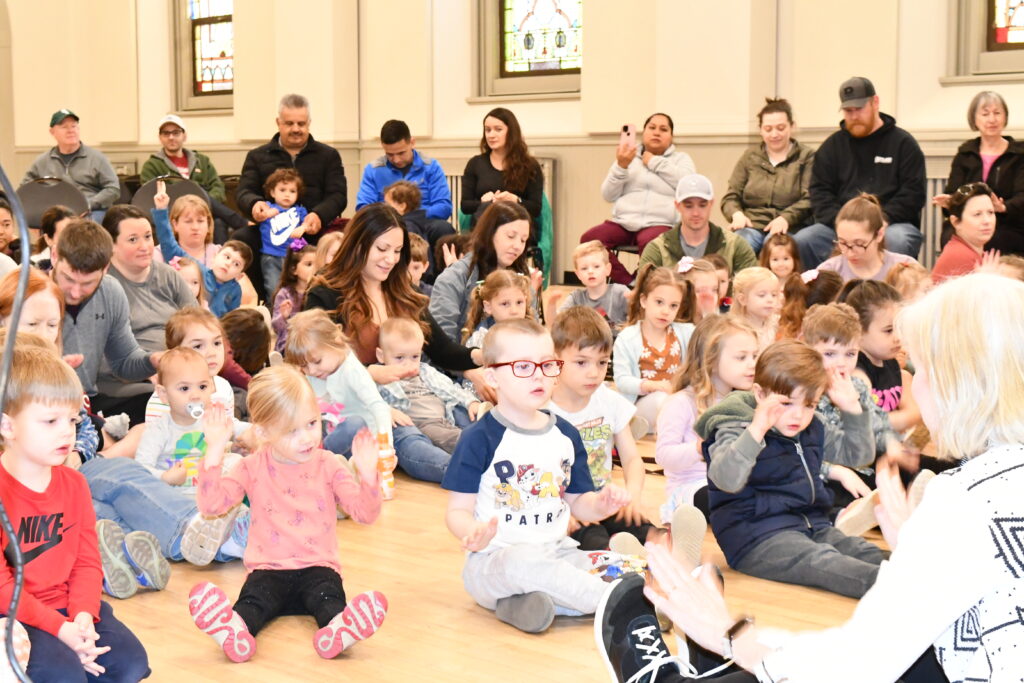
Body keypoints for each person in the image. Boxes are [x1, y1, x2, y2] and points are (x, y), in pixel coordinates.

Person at [622, 273, 1024, 683]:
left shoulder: (963, 500)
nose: (913, 384)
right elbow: (724, 476)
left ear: (957, 381)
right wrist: (916, 561)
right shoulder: (739, 421)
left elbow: (860, 661)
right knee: (833, 567)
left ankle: (692, 667)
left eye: (919, 369)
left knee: (845, 592)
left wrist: (728, 634)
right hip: (763, 534)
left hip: (810, 524)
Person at [441, 319, 633, 633]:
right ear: (493, 376)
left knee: (615, 566)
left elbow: (579, 504)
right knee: (524, 564)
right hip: (494, 562)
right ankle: (622, 602)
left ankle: (534, 604)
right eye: (523, 367)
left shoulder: (566, 434)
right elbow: (456, 512)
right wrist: (472, 531)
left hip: (557, 553)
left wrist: (601, 504)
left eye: (547, 365)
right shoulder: (479, 437)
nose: (539, 376)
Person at [188, 365, 387, 662]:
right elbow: (211, 506)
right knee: (252, 604)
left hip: (319, 568)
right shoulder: (251, 467)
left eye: (311, 423)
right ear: (264, 431)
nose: (307, 437)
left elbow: (364, 514)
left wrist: (369, 478)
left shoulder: (329, 464)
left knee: (330, 601)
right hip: (267, 570)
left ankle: (338, 631)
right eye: (292, 431)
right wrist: (215, 451)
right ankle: (234, 630)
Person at [0, 343, 151, 681]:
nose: (67, 432)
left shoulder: (74, 484)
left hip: (69, 607)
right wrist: (60, 629)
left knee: (131, 666)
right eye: (51, 421)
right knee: (65, 674)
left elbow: (86, 561)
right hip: (15, 617)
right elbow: (3, 588)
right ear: (7, 426)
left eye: (72, 419)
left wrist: (83, 615)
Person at [695, 339, 882, 598]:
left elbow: (858, 455)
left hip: (812, 526)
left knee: (864, 551)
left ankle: (924, 573)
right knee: (824, 560)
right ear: (760, 395)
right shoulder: (734, 426)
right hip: (755, 538)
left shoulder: (812, 425)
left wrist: (852, 409)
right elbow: (726, 479)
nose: (798, 415)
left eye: (809, 405)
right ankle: (896, 589)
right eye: (787, 403)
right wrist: (756, 430)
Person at [302, 204, 487, 397]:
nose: (390, 259)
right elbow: (317, 362)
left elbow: (441, 350)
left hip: (408, 398)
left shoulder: (403, 291)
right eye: (382, 249)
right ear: (357, 244)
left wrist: (480, 355)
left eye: (397, 251)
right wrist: (370, 372)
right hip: (352, 403)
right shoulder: (325, 292)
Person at [285, 308, 451, 485]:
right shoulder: (312, 375)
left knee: (414, 445)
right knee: (354, 424)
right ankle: (320, 466)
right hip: (347, 444)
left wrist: (385, 445)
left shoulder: (351, 369)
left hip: (379, 435)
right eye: (304, 366)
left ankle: (461, 470)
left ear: (335, 342)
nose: (312, 371)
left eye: (317, 362)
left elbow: (376, 406)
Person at [548, 307, 660, 551]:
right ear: (555, 358)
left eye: (601, 363)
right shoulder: (543, 411)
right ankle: (623, 563)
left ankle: (663, 553)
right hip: (569, 508)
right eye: (581, 362)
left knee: (650, 532)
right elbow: (535, 474)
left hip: (606, 499)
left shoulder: (610, 402)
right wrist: (558, 512)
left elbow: (631, 459)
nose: (594, 373)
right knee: (596, 543)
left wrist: (633, 497)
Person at [799, 77, 926, 267]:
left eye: (859, 109)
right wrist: (844, 224)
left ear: (875, 102)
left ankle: (890, 295)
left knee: (898, 239)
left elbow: (913, 194)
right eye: (848, 111)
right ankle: (821, 294)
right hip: (841, 225)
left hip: (890, 224)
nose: (854, 116)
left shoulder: (903, 144)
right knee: (805, 239)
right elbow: (819, 193)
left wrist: (880, 220)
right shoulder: (832, 147)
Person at [234, 94, 347, 297]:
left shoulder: (328, 156)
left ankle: (325, 298)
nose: (296, 128)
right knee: (241, 239)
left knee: (338, 242)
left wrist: (318, 215)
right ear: (278, 123)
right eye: (289, 123)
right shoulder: (258, 156)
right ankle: (262, 300)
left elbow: (338, 195)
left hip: (312, 229)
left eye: (301, 123)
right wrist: (255, 204)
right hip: (270, 231)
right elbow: (243, 191)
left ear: (309, 123)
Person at [51, 218, 161, 426]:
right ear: (55, 255)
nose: (75, 292)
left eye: (87, 283)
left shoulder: (110, 292)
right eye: (68, 279)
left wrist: (153, 361)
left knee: (156, 406)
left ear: (106, 268)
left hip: (86, 401)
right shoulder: (29, 293)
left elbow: (124, 361)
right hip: (39, 402)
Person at [656, 316, 759, 524]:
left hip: (734, 481)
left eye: (755, 356)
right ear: (710, 361)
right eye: (741, 357)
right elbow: (664, 456)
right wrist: (700, 447)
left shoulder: (746, 402)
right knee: (724, 498)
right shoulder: (681, 403)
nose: (752, 365)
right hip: (691, 486)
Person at [96, 204, 195, 411]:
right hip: (128, 383)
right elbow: (100, 356)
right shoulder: (102, 287)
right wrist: (147, 369)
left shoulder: (168, 275)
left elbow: (197, 324)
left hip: (180, 373)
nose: (145, 246)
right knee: (164, 403)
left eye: (148, 237)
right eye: (133, 239)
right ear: (111, 245)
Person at [581, 113, 696, 284]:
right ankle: (628, 283)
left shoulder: (681, 159)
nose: (657, 132)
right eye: (652, 127)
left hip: (659, 222)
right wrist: (621, 166)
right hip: (624, 222)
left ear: (671, 136)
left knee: (652, 244)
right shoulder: (628, 156)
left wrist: (654, 162)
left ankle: (642, 283)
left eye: (663, 129)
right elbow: (608, 194)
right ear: (644, 132)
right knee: (590, 240)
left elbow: (688, 185)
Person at [374, 317, 484, 454]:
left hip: (446, 415)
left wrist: (470, 401)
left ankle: (492, 442)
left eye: (415, 356)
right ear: (381, 356)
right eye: (399, 358)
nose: (408, 364)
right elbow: (370, 400)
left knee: (474, 420)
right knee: (453, 438)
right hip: (423, 424)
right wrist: (385, 410)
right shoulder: (379, 377)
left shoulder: (424, 370)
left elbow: (449, 388)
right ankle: (475, 451)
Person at [934, 91, 1024, 256]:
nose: (992, 119)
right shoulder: (966, 153)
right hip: (968, 222)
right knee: (950, 236)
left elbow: (1022, 196)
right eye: (985, 114)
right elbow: (953, 191)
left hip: (1007, 224)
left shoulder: (1019, 154)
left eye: (997, 113)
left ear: (1005, 117)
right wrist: (951, 202)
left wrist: (1003, 207)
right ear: (974, 119)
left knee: (994, 239)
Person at [430, 201, 534, 342]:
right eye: (510, 236)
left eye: (523, 240)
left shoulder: (521, 279)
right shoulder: (453, 278)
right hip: (462, 362)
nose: (517, 246)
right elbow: (441, 343)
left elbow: (534, 333)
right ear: (490, 233)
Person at [723, 98, 815, 255]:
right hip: (752, 225)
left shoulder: (807, 156)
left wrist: (786, 218)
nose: (774, 134)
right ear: (760, 130)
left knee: (774, 247)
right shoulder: (750, 156)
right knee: (737, 245)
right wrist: (736, 214)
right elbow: (731, 196)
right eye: (768, 129)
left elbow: (810, 198)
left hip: (789, 226)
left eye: (780, 128)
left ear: (792, 127)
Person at [613, 265, 695, 432]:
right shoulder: (627, 338)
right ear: (644, 301)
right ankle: (635, 429)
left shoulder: (686, 333)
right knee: (661, 399)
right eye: (659, 302)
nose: (665, 311)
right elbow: (622, 381)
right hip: (643, 405)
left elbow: (710, 338)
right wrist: (651, 385)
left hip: (678, 402)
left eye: (673, 306)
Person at [140, 114, 248, 241]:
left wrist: (201, 203)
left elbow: (218, 187)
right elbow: (149, 196)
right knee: (191, 190)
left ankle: (218, 259)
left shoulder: (201, 161)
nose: (171, 137)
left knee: (218, 222)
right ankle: (240, 222)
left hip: (204, 212)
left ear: (184, 136)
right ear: (160, 138)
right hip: (175, 213)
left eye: (176, 133)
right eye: (166, 133)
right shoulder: (151, 165)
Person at [152, 181, 252, 317]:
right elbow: (167, 242)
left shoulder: (221, 252)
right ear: (174, 224)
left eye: (200, 221)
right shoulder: (193, 265)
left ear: (208, 224)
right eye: (188, 221)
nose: (195, 227)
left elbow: (246, 300)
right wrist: (161, 210)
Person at [357, 119, 455, 247]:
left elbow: (444, 207)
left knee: (443, 229)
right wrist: (391, 214)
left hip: (425, 221)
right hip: (386, 222)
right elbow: (363, 207)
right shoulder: (373, 170)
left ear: (412, 143)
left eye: (401, 153)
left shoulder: (431, 167)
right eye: (390, 154)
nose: (396, 159)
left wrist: (412, 215)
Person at [841, 280, 922, 433]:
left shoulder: (890, 362)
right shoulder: (856, 372)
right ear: (858, 331)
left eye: (900, 327)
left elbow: (912, 410)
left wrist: (910, 414)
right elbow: (866, 423)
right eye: (889, 330)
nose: (898, 337)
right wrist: (911, 415)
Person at [639, 174, 758, 275]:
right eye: (688, 206)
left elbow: (751, 290)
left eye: (702, 205)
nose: (696, 213)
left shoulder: (736, 246)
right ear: (677, 206)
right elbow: (644, 294)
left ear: (711, 204)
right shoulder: (657, 249)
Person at [460, 108, 544, 239]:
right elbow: (465, 206)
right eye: (487, 130)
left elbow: (536, 208)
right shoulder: (475, 164)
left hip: (518, 225)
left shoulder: (530, 165)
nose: (491, 135)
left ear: (511, 132)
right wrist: (483, 202)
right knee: (487, 212)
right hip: (484, 223)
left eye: (498, 129)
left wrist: (516, 200)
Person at [21, 109, 120, 220]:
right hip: (57, 213)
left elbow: (113, 188)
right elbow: (26, 189)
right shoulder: (42, 161)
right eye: (64, 127)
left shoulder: (97, 158)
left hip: (91, 211)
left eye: (74, 126)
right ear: (52, 132)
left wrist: (89, 204)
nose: (70, 131)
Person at [818, 194, 921, 282]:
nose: (849, 253)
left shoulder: (905, 268)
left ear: (879, 235)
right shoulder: (829, 272)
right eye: (843, 243)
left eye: (859, 244)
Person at [557, 241, 630, 332]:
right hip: (588, 344)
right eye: (584, 268)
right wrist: (551, 304)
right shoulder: (576, 297)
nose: (590, 271)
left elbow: (640, 319)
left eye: (596, 266)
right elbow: (556, 324)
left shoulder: (620, 292)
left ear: (608, 269)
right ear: (578, 274)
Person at [932, 182, 996, 282]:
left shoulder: (969, 251)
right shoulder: (959, 257)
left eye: (991, 212)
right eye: (977, 214)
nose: (987, 220)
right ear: (955, 222)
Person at [257, 168, 308, 291]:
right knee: (273, 287)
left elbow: (309, 224)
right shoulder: (267, 207)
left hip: (293, 257)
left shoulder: (300, 211)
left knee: (293, 289)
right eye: (282, 190)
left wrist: (303, 227)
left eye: (292, 191)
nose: (287, 194)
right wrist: (266, 214)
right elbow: (258, 216)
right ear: (273, 192)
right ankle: (274, 309)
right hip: (271, 256)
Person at [462, 269, 534, 348]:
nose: (514, 311)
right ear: (488, 307)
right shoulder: (481, 341)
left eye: (519, 302)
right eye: (505, 304)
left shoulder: (534, 335)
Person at [270, 240, 316, 353]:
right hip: (289, 342)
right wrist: (283, 316)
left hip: (313, 340)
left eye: (317, 264)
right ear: (293, 269)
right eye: (309, 264)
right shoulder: (285, 294)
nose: (314, 269)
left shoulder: (318, 291)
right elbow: (276, 328)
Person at [730, 267, 780, 351]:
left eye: (774, 295)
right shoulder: (735, 331)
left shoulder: (778, 323)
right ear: (743, 299)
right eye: (762, 295)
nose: (770, 300)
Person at [31, 204, 76, 269]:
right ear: (48, 239)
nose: (72, 241)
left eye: (74, 234)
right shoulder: (30, 269)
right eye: (64, 236)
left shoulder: (89, 262)